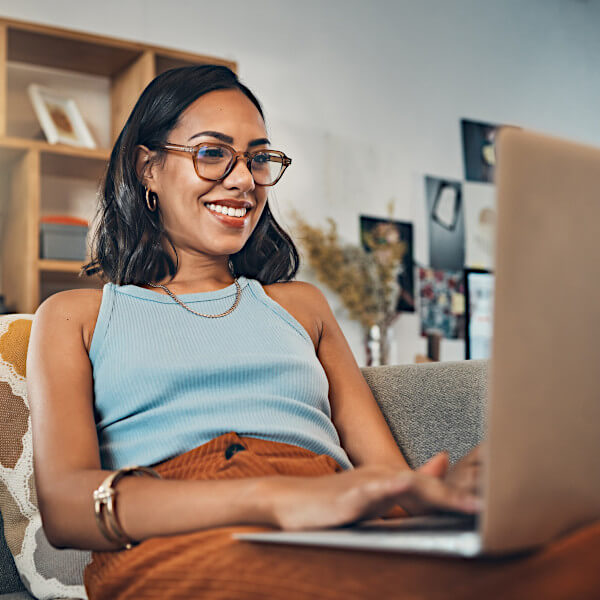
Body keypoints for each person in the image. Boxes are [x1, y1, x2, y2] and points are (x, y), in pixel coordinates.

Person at [27, 65, 481, 600]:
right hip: (182, 535)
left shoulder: (301, 305)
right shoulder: (72, 317)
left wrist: (453, 496)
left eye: (258, 158)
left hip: (336, 525)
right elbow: (67, 507)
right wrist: (271, 498)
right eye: (212, 152)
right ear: (147, 168)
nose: (244, 180)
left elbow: (387, 478)